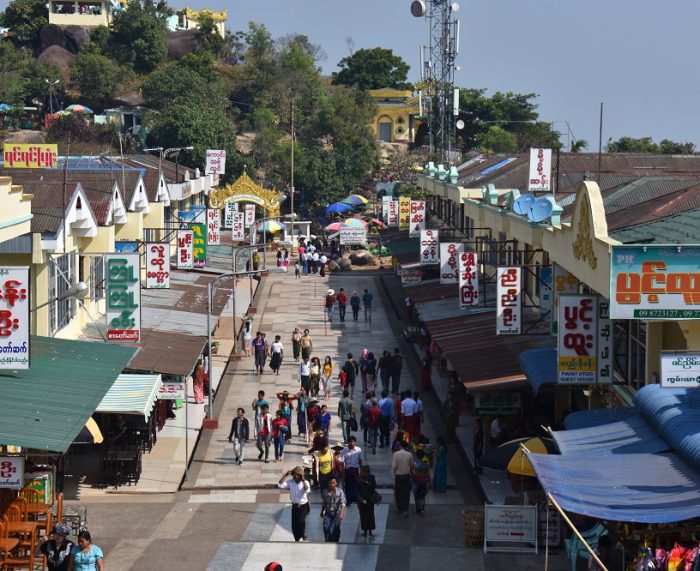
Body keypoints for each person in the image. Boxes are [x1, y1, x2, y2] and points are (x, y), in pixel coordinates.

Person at [278, 467, 311, 542]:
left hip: (303, 505)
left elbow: (308, 490)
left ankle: (303, 534)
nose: (296, 476)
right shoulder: (290, 482)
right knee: (294, 524)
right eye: (294, 474)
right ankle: (297, 538)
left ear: (300, 475)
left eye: (297, 475)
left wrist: (303, 481)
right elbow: (280, 485)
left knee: (301, 520)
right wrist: (285, 475)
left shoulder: (305, 482)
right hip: (295, 506)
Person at [320, 476, 346, 542]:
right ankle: (328, 541)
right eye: (330, 483)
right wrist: (322, 511)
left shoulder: (340, 491)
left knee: (336, 529)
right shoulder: (325, 491)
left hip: (336, 513)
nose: (332, 485)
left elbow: (343, 502)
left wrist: (342, 513)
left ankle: (335, 541)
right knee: (326, 527)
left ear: (336, 483)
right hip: (328, 512)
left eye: (333, 483)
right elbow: (324, 502)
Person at [393, 440, 414, 518]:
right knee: (406, 493)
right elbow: (411, 465)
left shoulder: (396, 454)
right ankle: (405, 510)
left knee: (398, 492)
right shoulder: (409, 454)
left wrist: (395, 472)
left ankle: (399, 508)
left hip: (398, 475)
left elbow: (394, 467)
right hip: (406, 476)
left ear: (400, 446)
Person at [340, 435, 363, 505]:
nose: (351, 443)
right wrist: (343, 473)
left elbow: (360, 460)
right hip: (348, 470)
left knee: (355, 484)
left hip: (356, 470)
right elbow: (341, 462)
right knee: (348, 485)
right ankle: (348, 500)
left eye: (353, 442)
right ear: (348, 442)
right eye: (350, 442)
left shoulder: (359, 450)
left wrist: (361, 470)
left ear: (355, 442)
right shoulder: (344, 451)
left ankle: (355, 498)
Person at [357, 465, 378, 537]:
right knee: (363, 515)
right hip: (362, 500)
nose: (366, 474)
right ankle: (365, 531)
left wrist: (366, 482)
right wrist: (360, 499)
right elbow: (357, 490)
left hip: (370, 499)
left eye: (367, 472)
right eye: (365, 472)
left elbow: (373, 486)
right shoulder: (359, 478)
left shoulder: (371, 477)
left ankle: (370, 531)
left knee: (370, 515)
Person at [412, 449, 431, 517]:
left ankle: (418, 509)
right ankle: (422, 508)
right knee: (423, 496)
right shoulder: (426, 464)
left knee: (417, 496)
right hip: (424, 483)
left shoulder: (415, 464)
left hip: (417, 483)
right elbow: (428, 475)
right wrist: (429, 483)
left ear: (417, 456)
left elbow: (413, 474)